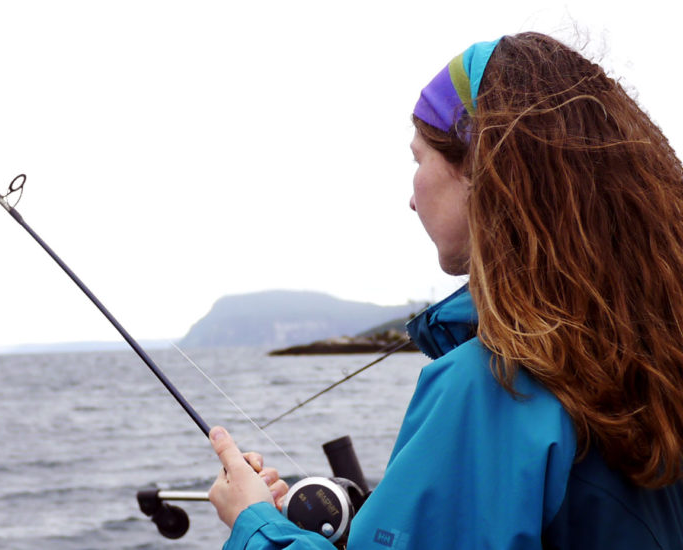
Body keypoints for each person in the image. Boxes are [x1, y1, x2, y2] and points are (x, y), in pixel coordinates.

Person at [207, 32, 683, 549]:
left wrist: (256, 522)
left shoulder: (496, 388)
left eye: (419, 159)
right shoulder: (652, 363)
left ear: (483, 170)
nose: (410, 199)